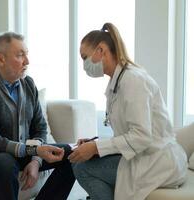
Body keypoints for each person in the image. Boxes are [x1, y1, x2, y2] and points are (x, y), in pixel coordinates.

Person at [68, 22, 188, 200]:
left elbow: (141, 136)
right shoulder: (119, 81)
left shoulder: (133, 80)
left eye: (84, 57)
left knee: (82, 168)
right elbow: (129, 134)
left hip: (158, 162)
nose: (84, 64)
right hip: (147, 156)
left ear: (101, 50)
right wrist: (95, 143)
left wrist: (96, 148)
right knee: (85, 161)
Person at [0, 32, 75, 200]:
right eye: (20, 55)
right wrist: (34, 150)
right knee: (5, 162)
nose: (27, 61)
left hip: (22, 153)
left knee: (71, 153)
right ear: (0, 59)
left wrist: (35, 160)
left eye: (27, 54)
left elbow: (40, 127)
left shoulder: (28, 84)